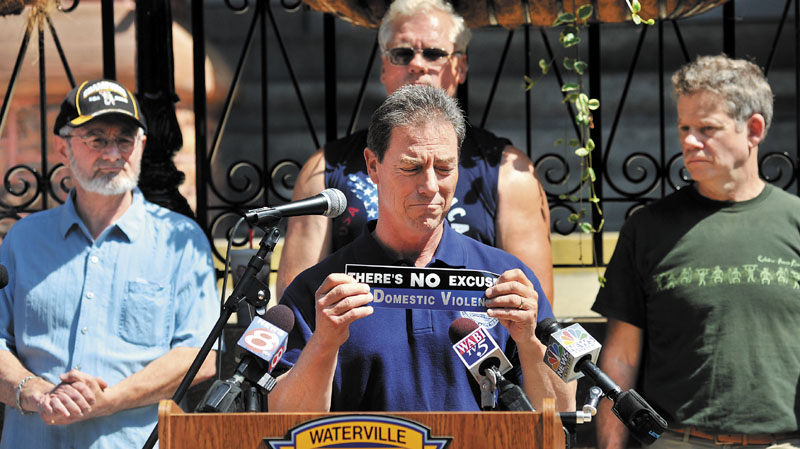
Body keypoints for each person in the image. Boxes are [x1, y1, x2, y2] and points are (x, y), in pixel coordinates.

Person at [268, 84, 573, 413]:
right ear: (373, 166)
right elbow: (283, 421)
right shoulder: (322, 291)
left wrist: (528, 342)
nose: (430, 186)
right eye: (412, 167)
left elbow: (561, 410)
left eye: (444, 168)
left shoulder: (505, 279)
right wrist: (324, 344)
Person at [276, 0, 554, 305]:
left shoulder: (507, 172)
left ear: (460, 67)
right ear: (384, 67)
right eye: (402, 53)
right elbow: (296, 308)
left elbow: (534, 309)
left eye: (434, 53)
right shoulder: (326, 168)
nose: (417, 64)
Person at [592, 55, 800, 449]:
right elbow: (620, 362)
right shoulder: (648, 228)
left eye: (707, 128)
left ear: (754, 129)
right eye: (684, 127)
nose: (689, 141)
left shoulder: (794, 221)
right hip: (676, 440)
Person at [0, 79, 219, 449]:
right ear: (62, 148)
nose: (113, 153)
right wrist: (34, 392)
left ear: (142, 146)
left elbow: (200, 353)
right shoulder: (23, 241)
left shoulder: (179, 240)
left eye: (125, 139)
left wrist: (109, 400)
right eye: (97, 139)